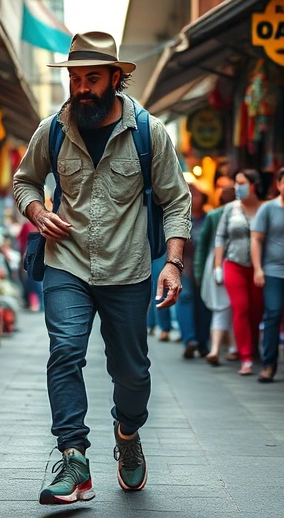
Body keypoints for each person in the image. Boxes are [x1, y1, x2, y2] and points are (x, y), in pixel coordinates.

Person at [12, 31, 191, 505]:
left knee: (131, 371)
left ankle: (127, 435)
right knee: (65, 352)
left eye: (92, 77)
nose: (82, 87)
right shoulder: (52, 129)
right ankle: (74, 458)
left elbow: (176, 201)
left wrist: (172, 263)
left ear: (116, 78)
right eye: (75, 77)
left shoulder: (149, 132)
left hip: (128, 268)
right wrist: (36, 211)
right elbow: (24, 181)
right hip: (65, 262)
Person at [251, 166, 284, 382]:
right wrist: (258, 269)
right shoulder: (267, 209)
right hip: (272, 272)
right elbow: (256, 239)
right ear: (278, 185)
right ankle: (269, 365)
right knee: (273, 314)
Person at [214, 169, 265, 376]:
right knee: (241, 308)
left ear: (252, 185)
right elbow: (220, 237)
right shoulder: (230, 209)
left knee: (257, 310)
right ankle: (245, 356)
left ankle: (253, 349)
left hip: (259, 267)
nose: (237, 187)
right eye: (235, 183)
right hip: (233, 264)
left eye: (241, 183)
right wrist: (218, 265)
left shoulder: (265, 208)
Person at [197, 179, 235, 365]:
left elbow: (203, 247)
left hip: (219, 265)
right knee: (229, 307)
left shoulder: (215, 215)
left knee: (225, 308)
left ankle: (222, 348)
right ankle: (228, 348)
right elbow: (204, 245)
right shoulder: (214, 216)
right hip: (221, 265)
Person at [176, 184, 210, 359]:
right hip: (185, 267)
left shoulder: (209, 218)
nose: (191, 198)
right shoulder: (181, 219)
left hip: (205, 269)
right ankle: (189, 340)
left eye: (194, 195)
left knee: (204, 304)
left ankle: (203, 342)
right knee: (185, 299)